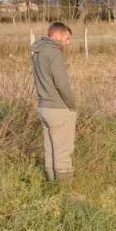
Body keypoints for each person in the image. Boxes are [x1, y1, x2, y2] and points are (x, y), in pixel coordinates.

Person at [32, 22, 76, 183]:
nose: (68, 42)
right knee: (63, 150)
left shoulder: (37, 52)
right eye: (67, 38)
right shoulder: (55, 53)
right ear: (56, 35)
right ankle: (64, 189)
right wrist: (72, 104)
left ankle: (52, 184)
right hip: (58, 108)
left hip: (43, 106)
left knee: (50, 150)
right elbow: (62, 84)